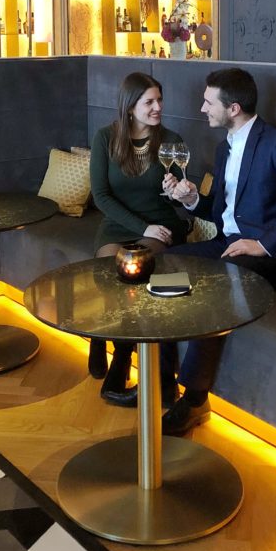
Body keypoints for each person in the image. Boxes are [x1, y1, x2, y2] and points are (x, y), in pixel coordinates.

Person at [160, 67, 276, 436]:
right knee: (165, 266)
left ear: (233, 108)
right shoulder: (224, 147)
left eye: (208, 102)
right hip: (228, 244)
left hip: (269, 255)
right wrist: (192, 199)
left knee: (217, 282)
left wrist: (263, 243)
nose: (202, 108)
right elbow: (224, 212)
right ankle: (161, 383)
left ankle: (195, 401)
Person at [88, 71, 188, 406]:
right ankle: (100, 336)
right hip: (119, 225)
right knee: (109, 268)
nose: (158, 107)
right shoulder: (105, 138)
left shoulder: (171, 140)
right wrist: (140, 227)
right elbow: (101, 196)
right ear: (130, 106)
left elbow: (180, 200)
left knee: (135, 266)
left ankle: (120, 356)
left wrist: (176, 192)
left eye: (160, 100)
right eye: (149, 102)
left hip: (160, 225)